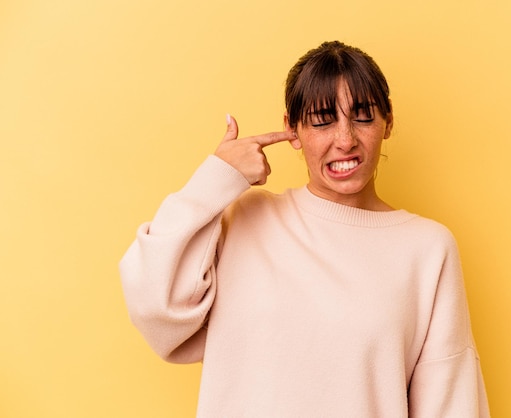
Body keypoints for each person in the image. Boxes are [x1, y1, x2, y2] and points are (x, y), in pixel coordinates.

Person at [120, 40, 490, 417]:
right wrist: (216, 177)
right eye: (322, 120)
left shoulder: (427, 249)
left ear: (388, 121)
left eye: (362, 115)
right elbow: (154, 307)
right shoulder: (244, 221)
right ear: (292, 129)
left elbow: (451, 403)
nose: (345, 140)